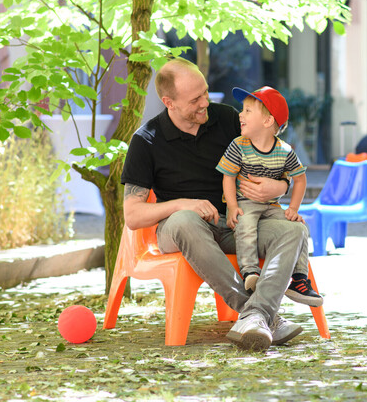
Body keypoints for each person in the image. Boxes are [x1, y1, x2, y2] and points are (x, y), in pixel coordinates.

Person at [121, 57, 309, 352]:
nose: (205, 103)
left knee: (293, 232)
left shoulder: (226, 119)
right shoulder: (146, 141)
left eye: (205, 92)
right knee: (185, 220)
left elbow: (272, 145)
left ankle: (256, 317)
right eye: (195, 99)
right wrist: (183, 203)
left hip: (238, 223)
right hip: (183, 230)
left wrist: (282, 185)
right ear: (168, 101)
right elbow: (132, 216)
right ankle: (254, 312)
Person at [216, 86, 322, 307]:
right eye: (242, 110)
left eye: (247, 111)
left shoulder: (284, 151)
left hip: (271, 206)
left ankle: (300, 279)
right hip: (245, 203)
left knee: (300, 227)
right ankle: (250, 272)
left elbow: (301, 179)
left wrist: (293, 209)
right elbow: (228, 176)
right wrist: (232, 206)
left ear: (267, 122)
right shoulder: (238, 146)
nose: (240, 115)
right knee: (245, 225)